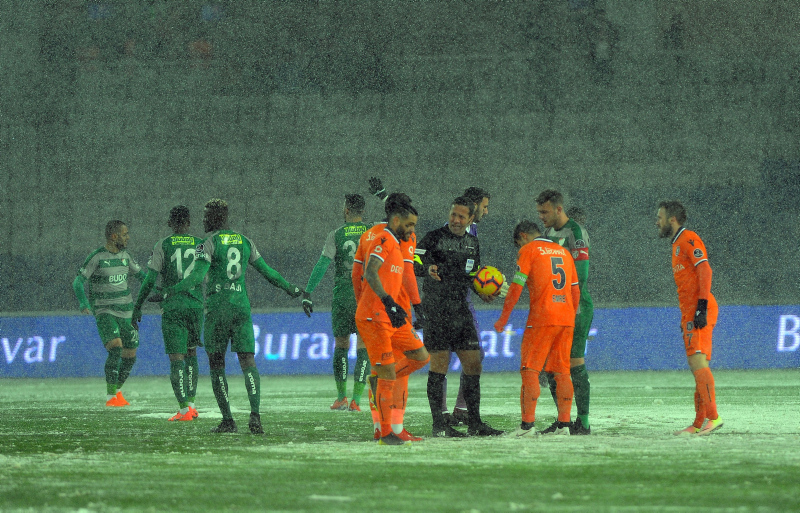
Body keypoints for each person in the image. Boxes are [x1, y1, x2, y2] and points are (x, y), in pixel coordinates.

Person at [164, 199, 303, 434]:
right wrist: (292, 289)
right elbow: (268, 272)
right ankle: (255, 415)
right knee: (248, 361)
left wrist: (170, 291)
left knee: (217, 364)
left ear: (217, 218)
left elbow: (196, 278)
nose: (203, 220)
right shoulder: (245, 241)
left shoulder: (207, 244)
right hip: (241, 308)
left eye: (206, 216)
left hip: (218, 310)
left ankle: (228, 420)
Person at [416, 196, 504, 437]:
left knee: (474, 363)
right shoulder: (434, 237)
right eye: (453, 214)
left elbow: (472, 276)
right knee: (440, 364)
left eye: (461, 217)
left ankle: (475, 423)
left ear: (471, 219)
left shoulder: (472, 243)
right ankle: (439, 425)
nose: (455, 220)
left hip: (460, 309)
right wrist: (426, 268)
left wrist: (482, 292)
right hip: (437, 308)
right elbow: (413, 261)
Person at [353, 195, 430, 445]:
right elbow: (369, 272)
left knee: (421, 356)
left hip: (391, 317)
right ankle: (387, 433)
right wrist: (388, 302)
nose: (412, 230)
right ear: (396, 220)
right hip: (375, 317)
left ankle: (382, 382)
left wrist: (399, 308)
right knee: (387, 376)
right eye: (409, 225)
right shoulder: (384, 239)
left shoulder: (396, 243)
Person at [494, 220, 580, 436]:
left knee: (529, 369)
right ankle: (564, 425)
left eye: (518, 244)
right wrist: (570, 315)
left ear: (523, 236)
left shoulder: (529, 250)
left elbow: (516, 287)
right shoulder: (564, 252)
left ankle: (527, 426)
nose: (519, 249)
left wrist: (503, 319)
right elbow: (575, 291)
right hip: (566, 318)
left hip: (542, 318)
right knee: (562, 372)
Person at [656, 200, 723, 436]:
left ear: (672, 219)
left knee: (697, 363)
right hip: (690, 311)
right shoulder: (676, 244)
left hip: (699, 308)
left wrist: (701, 307)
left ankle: (713, 417)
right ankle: (698, 423)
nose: (657, 222)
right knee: (698, 365)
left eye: (660, 218)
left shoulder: (688, 238)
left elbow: (705, 269)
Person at [132, 206, 204, 421]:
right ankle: (191, 405)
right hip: (195, 306)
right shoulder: (201, 244)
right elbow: (205, 274)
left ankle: (183, 410)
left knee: (176, 358)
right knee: (191, 353)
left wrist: (138, 305)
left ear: (170, 223)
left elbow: (150, 280)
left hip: (173, 307)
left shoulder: (163, 245)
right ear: (189, 223)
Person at [303, 194, 370, 412]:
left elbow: (323, 263)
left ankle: (341, 398)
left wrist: (308, 291)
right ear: (363, 211)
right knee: (364, 346)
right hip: (366, 295)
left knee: (341, 344)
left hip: (343, 295)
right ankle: (356, 400)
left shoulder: (336, 234)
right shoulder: (371, 232)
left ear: (347, 209)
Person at [535, 189, 594, 435]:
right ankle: (564, 420)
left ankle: (584, 422)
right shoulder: (548, 234)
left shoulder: (576, 232)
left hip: (576, 307)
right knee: (552, 366)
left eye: (545, 212)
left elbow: (581, 275)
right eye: (539, 212)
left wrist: (568, 304)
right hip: (555, 308)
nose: (541, 217)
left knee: (574, 362)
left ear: (559, 209)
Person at [73, 220, 147, 407]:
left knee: (130, 354)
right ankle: (110, 396)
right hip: (105, 310)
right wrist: (83, 302)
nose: (128, 237)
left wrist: (158, 290)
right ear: (114, 236)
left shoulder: (126, 256)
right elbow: (78, 282)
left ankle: (117, 391)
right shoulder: (97, 257)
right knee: (115, 347)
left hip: (126, 312)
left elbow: (142, 277)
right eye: (125, 234)